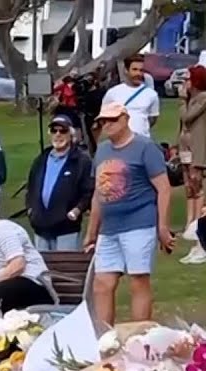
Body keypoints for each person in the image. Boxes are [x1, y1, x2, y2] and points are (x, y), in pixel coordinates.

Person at [84, 102, 173, 327]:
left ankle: (139, 335)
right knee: (102, 283)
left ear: (125, 119)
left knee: (138, 280)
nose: (107, 125)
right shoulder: (102, 150)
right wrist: (91, 231)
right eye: (103, 121)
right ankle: (105, 336)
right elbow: (98, 193)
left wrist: (162, 227)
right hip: (109, 228)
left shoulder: (145, 147)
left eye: (113, 120)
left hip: (139, 222)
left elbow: (163, 188)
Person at [25, 115, 93, 251]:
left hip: (66, 228)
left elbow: (88, 191)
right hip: (40, 227)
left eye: (63, 131)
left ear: (71, 135)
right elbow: (31, 187)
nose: (58, 135)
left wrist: (78, 209)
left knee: (65, 263)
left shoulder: (81, 161)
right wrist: (31, 210)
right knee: (42, 263)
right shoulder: (41, 159)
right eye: (54, 131)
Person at [179, 66, 206, 259]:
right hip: (195, 153)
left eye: (188, 79)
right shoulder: (195, 99)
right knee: (195, 192)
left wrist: (182, 101)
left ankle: (201, 245)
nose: (184, 83)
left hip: (202, 155)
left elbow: (187, 118)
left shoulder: (203, 98)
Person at [101, 54, 159, 138]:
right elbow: (104, 117)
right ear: (126, 70)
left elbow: (153, 118)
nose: (138, 73)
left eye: (141, 70)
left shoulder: (151, 94)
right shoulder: (113, 93)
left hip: (142, 140)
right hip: (118, 140)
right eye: (134, 69)